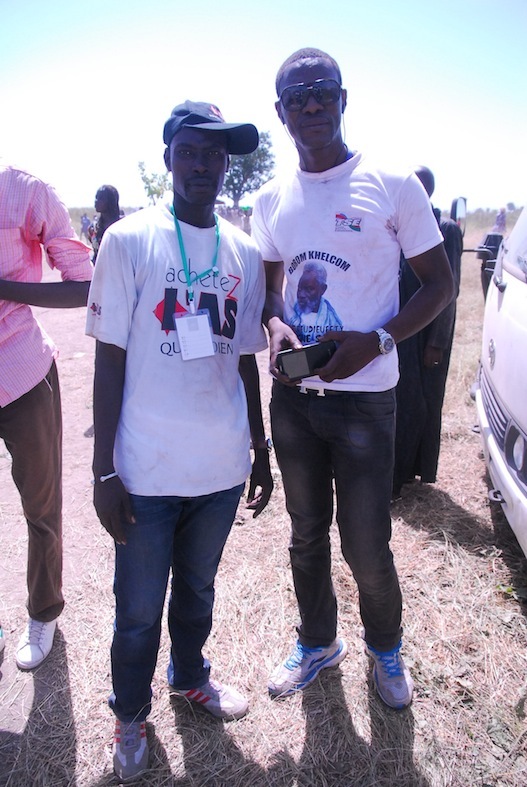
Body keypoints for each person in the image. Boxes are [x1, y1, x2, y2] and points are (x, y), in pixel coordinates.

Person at [251, 48, 454, 710]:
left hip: (366, 404)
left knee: (365, 543)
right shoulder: (270, 199)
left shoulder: (391, 184)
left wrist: (379, 339)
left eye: (322, 92)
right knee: (305, 532)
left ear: (343, 99)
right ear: (280, 113)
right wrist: (277, 328)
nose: (311, 105)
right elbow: (270, 292)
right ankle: (317, 642)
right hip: (296, 402)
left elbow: (439, 283)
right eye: (297, 97)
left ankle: (385, 650)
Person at [85, 100, 273, 782]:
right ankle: (130, 713)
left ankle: (190, 676)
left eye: (215, 154)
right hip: (146, 470)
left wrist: (260, 446)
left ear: (227, 166)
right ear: (169, 157)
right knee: (137, 610)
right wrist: (104, 471)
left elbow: (245, 356)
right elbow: (108, 361)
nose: (203, 165)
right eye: (190, 151)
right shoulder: (129, 240)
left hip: (218, 469)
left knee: (196, 589)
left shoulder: (243, 251)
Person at [0, 163, 92, 669]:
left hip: (21, 372)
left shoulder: (23, 192)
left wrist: (3, 287)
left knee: (41, 508)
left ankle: (44, 610)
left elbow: (83, 286)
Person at [393, 166, 463, 499]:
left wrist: (437, 342)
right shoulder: (399, 223)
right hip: (404, 326)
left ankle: (409, 470)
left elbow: (448, 290)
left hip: (428, 333)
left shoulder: (445, 228)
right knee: (404, 400)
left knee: (421, 402)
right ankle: (401, 469)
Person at [89, 184, 121, 263]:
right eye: (96, 197)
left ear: (111, 202)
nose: (96, 201)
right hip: (98, 271)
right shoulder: (93, 228)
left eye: (101, 198)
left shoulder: (122, 226)